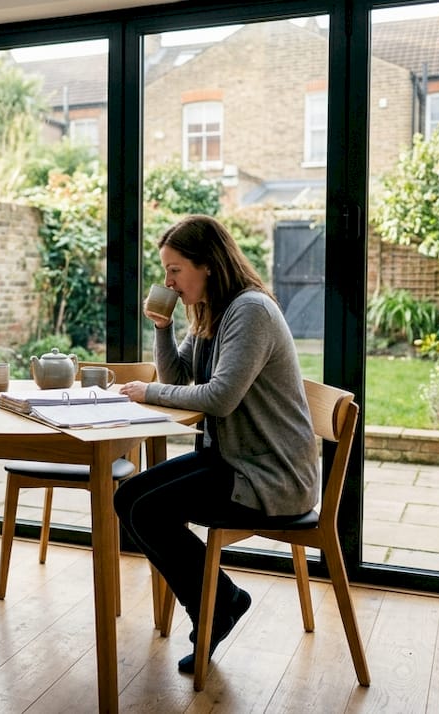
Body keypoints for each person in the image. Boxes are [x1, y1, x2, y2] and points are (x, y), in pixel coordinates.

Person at [113, 214, 319, 675]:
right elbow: (177, 378)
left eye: (175, 270)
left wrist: (147, 393)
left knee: (147, 510)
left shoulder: (250, 311)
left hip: (271, 474)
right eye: (165, 271)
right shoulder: (210, 310)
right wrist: (162, 327)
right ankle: (221, 601)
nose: (167, 280)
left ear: (206, 264)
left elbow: (220, 399)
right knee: (128, 498)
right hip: (230, 459)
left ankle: (215, 608)